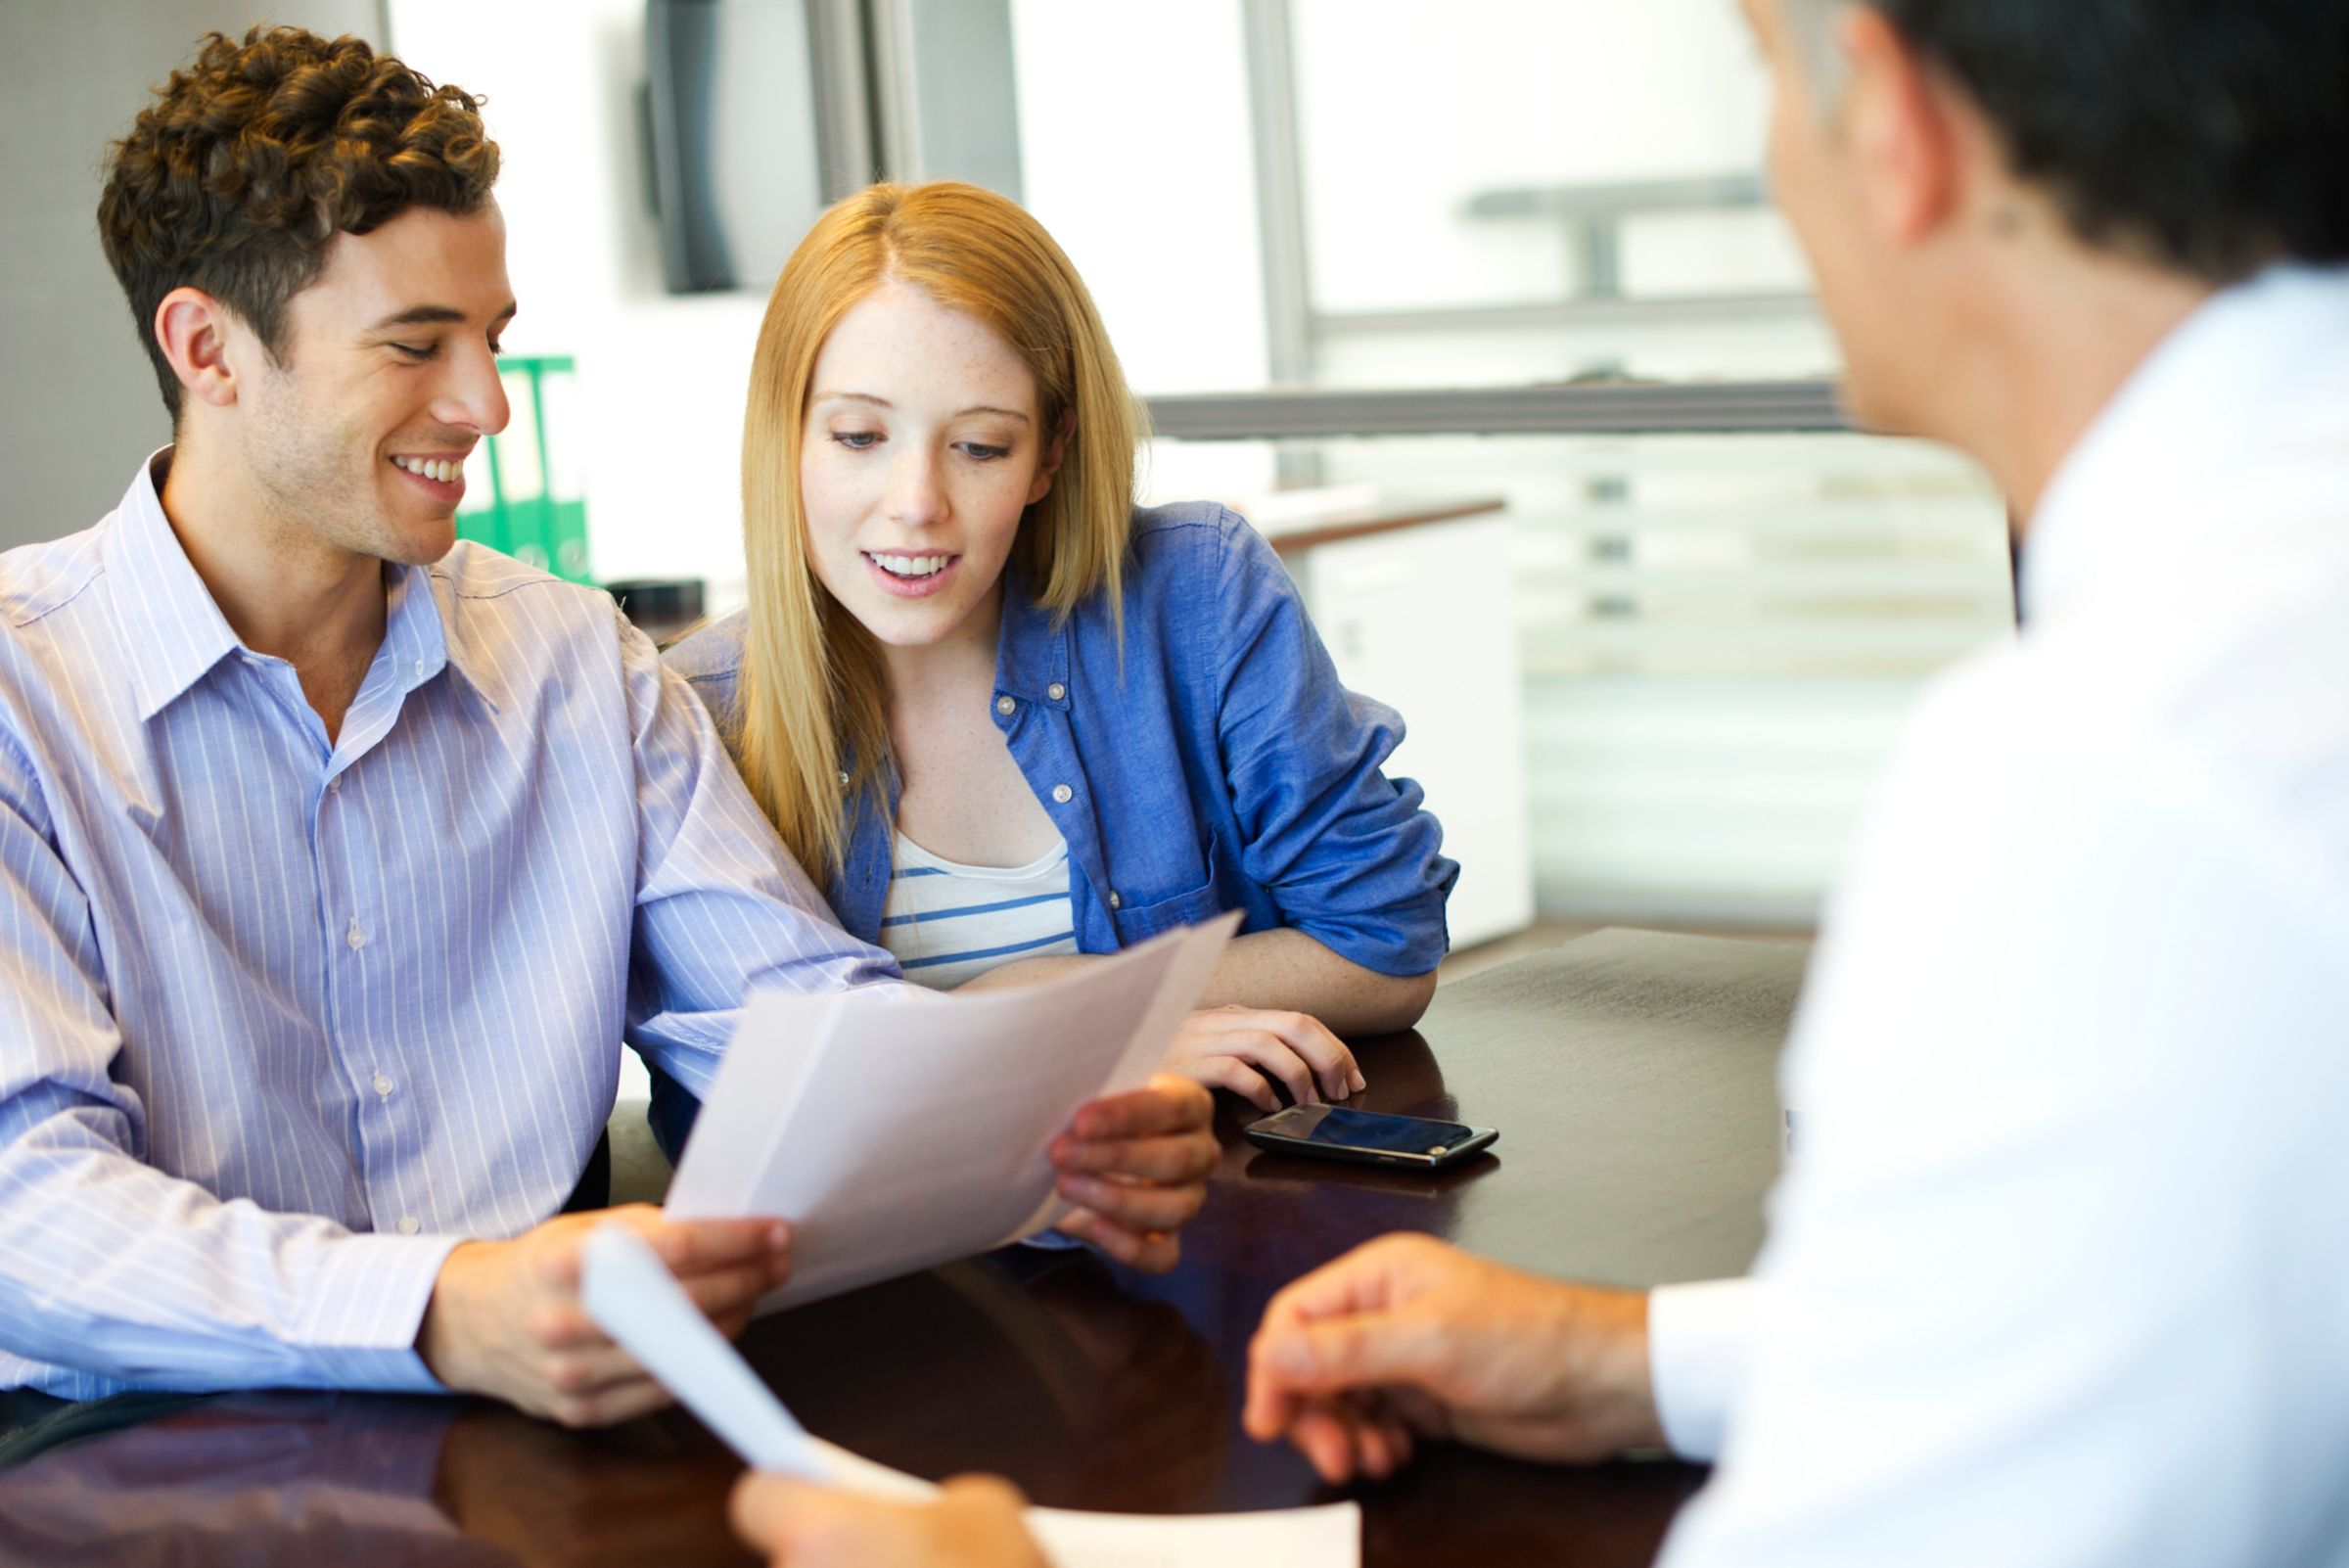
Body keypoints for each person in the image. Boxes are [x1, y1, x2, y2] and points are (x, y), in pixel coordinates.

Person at [730, 0, 2349, 1560]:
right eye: (860, 434)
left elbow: (1948, 1470)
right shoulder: (2227, 663)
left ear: (1897, 126)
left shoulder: (2108, 777)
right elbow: (2043, 1326)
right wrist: (1626, 1358)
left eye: (1759, 81)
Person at [0, 25, 1215, 1430]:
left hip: (549, 1431)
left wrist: (1036, 1141)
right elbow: (29, 1217)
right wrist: (444, 1306)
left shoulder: (576, 664)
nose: (486, 405)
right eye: (416, 345)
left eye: (490, 339)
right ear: (207, 345)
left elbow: (794, 1021)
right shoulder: (25, 700)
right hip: (137, 1457)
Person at [652, 181, 1456, 1169]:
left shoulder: (1193, 596)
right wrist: (1073, 1034)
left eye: (981, 445)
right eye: (860, 437)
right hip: (898, 1280)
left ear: (1049, 455)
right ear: (786, 437)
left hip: (1210, 1222)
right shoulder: (691, 717)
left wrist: (1052, 998)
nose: (917, 505)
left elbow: (1384, 949)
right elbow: (734, 1108)